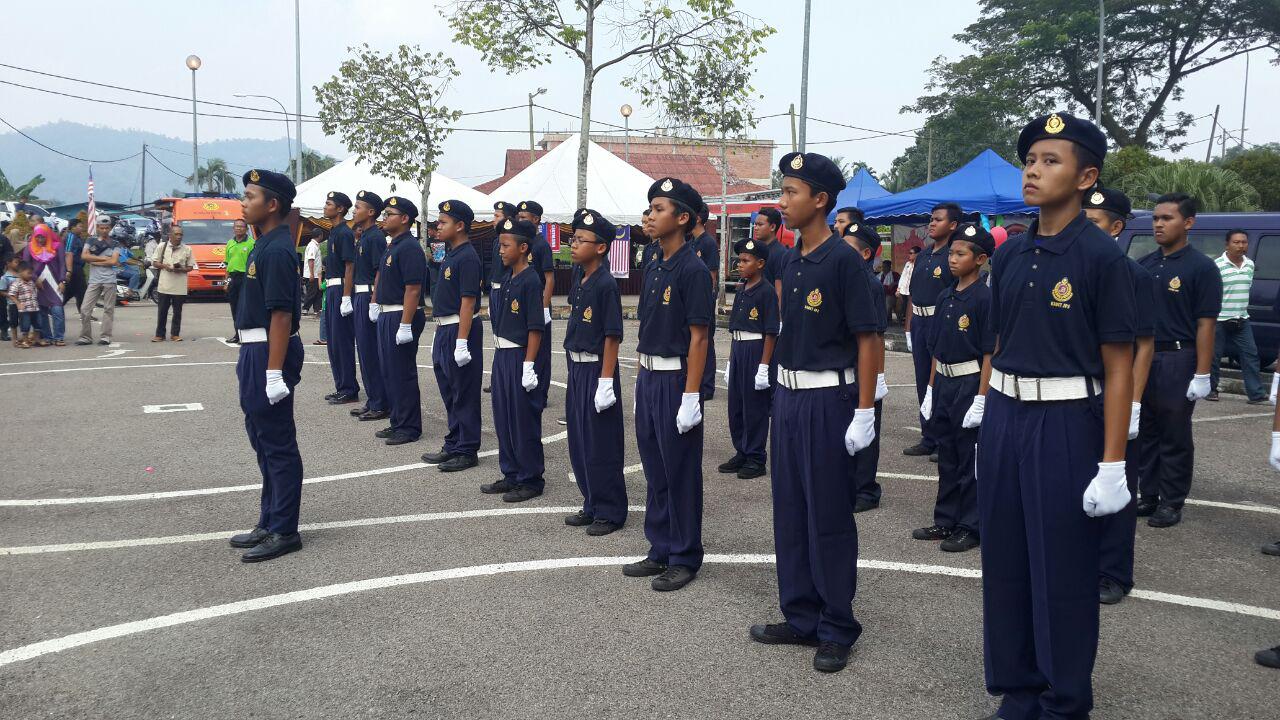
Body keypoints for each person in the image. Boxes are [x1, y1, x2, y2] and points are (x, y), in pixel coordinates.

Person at [976, 112, 1136, 720]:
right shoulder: (1013, 254)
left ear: (1086, 176)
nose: (1034, 172)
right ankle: (1017, 691)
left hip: (1067, 421)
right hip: (1006, 416)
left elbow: (1118, 364)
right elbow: (999, 341)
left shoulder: (1102, 259)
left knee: (1061, 573)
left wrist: (1113, 462)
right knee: (1008, 563)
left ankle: (1063, 701)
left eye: (1051, 161)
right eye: (1030, 161)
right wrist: (985, 408)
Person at [748, 152, 878, 674]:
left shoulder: (843, 261)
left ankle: (836, 625)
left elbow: (868, 340)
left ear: (820, 200)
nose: (782, 202)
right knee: (791, 510)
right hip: (791, 397)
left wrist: (865, 411)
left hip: (829, 399)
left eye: (790, 193)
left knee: (827, 514)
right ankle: (800, 614)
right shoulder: (792, 260)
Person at [624, 177, 713, 593]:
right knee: (655, 466)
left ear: (683, 218)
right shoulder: (655, 262)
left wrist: (691, 395)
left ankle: (684, 554)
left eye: (660, 209)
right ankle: (659, 545)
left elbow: (699, 336)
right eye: (651, 208)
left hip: (677, 379)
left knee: (679, 471)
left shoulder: (693, 269)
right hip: (649, 374)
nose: (651, 216)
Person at [1083, 185, 1157, 605]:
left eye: (1095, 223)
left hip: (1116, 392)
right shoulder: (1073, 268)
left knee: (1117, 481)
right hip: (1078, 394)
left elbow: (1143, 345)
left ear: (1116, 227)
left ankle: (1113, 571)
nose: (1086, 230)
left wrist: (1133, 403)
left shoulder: (1134, 275)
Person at [227, 168, 305, 563]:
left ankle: (284, 529)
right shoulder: (263, 243)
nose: (243, 201)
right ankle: (269, 518)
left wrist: (274, 372)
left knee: (277, 443)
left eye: (250, 196)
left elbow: (280, 316)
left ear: (272, 205)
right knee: (261, 438)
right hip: (255, 349)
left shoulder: (276, 249)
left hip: (269, 353)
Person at [1137, 193, 1221, 529]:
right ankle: (1150, 494)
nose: (1159, 224)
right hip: (1145, 356)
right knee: (1146, 429)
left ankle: (1172, 501)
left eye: (1167, 218)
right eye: (1156, 218)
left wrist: (1202, 372)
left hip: (1178, 356)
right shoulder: (1145, 265)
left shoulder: (1201, 267)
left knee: (1174, 432)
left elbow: (1206, 324)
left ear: (1188, 222)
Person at [915, 223, 995, 553]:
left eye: (961, 254)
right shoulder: (946, 296)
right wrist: (931, 389)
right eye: (952, 252)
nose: (953, 259)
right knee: (947, 456)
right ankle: (945, 519)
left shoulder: (984, 298)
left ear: (980, 259)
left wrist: (982, 397)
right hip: (945, 381)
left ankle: (969, 525)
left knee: (968, 459)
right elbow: (935, 349)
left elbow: (990, 351)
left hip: (969, 381)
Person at [562, 208, 627, 534]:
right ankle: (592, 501)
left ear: (601, 247)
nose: (573, 245)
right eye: (573, 239)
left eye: (581, 240)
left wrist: (605, 382)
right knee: (580, 440)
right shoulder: (580, 278)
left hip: (595, 371)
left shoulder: (605, 284)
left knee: (601, 443)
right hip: (576, 368)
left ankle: (610, 510)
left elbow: (612, 336)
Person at [482, 217, 546, 502]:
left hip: (520, 355)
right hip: (502, 355)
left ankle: (530, 479)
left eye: (506, 245)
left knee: (523, 420)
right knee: (504, 417)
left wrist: (529, 365)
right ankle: (510, 473)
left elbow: (535, 327)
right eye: (500, 245)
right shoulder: (508, 278)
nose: (501, 250)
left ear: (523, 248)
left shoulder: (531, 280)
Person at [422, 200, 484, 472]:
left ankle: (467, 448)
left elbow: (468, 301)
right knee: (449, 389)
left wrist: (461, 341)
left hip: (461, 328)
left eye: (443, 221)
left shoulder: (468, 257)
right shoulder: (451, 254)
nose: (438, 225)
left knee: (464, 390)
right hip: (445, 327)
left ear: (460, 226)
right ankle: (454, 440)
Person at [718, 236, 778, 480]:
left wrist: (764, 366)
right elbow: (735, 331)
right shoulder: (742, 291)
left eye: (746, 260)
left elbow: (771, 332)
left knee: (755, 407)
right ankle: (741, 450)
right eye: (739, 260)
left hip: (756, 352)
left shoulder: (767, 292)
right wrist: (731, 362)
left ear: (760, 263)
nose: (740, 264)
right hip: (740, 350)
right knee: (736, 406)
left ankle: (755, 456)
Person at [904, 203, 961, 459]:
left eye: (938, 219)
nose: (932, 223)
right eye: (931, 219)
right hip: (920, 322)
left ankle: (943, 438)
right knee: (921, 380)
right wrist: (908, 327)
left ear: (953, 225)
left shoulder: (954, 256)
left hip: (942, 323)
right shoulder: (924, 255)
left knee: (939, 381)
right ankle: (928, 436)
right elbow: (912, 294)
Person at [371, 196, 428, 446]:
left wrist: (405, 324)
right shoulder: (392, 245)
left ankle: (409, 426)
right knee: (389, 372)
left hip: (401, 315)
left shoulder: (410, 247)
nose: (384, 217)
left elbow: (413, 289)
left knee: (402, 372)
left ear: (404, 219)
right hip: (388, 314)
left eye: (390, 213)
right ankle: (397, 420)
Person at [842, 222, 890, 513]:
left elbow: (878, 337)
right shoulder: (846, 281)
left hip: (865, 369)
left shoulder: (870, 285)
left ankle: (866, 489)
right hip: (845, 366)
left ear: (865, 253)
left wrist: (878, 377)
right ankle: (850, 484)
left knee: (866, 427)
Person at [1208, 229, 1266, 403]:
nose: (1241, 246)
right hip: (1219, 319)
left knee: (1251, 355)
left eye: (1244, 242)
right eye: (1236, 242)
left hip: (1242, 319)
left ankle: (1256, 394)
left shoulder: (1249, 264)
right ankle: (1211, 390)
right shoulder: (1216, 266)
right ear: (1227, 245)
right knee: (1213, 356)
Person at [349, 191, 389, 422]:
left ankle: (380, 403)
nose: (354, 211)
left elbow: (379, 271)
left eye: (358, 207)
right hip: (359, 295)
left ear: (371, 212)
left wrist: (374, 300)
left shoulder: (375, 238)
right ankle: (373, 399)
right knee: (363, 351)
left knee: (371, 352)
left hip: (368, 297)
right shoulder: (364, 236)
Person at [516, 201, 555, 411]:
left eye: (524, 217)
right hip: (523, 306)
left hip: (538, 305)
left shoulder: (541, 245)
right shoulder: (523, 244)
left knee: (541, 352)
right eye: (518, 217)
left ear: (536, 219)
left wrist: (544, 307)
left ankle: (541, 393)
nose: (520, 220)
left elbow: (549, 278)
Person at [322, 191, 360, 405]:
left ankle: (348, 388)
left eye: (329, 204)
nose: (325, 207)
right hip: (332, 288)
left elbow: (349, 266)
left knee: (342, 341)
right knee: (333, 341)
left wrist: (346, 296)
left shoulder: (344, 233)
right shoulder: (334, 231)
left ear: (340, 209)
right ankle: (341, 385)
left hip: (340, 290)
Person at [484, 201, 518, 395]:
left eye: (497, 216)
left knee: (507, 336)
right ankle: (498, 378)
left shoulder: (510, 242)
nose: (493, 220)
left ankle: (506, 378)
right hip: (495, 291)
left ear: (508, 219)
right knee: (497, 337)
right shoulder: (497, 241)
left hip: (505, 291)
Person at [692, 202, 721, 400]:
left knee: (706, 342)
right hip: (691, 300)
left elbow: (712, 275)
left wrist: (708, 300)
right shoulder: (691, 242)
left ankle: (708, 385)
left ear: (698, 218)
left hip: (705, 299)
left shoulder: (708, 242)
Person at [78, 216, 120, 346]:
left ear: (110, 228)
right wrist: (104, 260)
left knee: (108, 309)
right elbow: (84, 256)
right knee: (85, 309)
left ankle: (105, 336)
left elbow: (114, 261)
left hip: (109, 280)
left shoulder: (115, 243)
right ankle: (86, 336)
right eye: (101, 228)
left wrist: (94, 260)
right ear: (97, 227)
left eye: (107, 228)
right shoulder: (90, 240)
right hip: (94, 280)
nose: (104, 230)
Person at [149, 223, 194, 342]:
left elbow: (190, 267)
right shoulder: (162, 247)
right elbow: (154, 262)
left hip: (179, 286)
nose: (179, 237)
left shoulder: (187, 249)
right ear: (170, 235)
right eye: (176, 234)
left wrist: (180, 269)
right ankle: (160, 334)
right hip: (164, 286)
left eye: (181, 234)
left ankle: (175, 334)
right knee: (162, 311)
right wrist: (165, 266)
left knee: (177, 312)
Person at [22, 224, 66, 346]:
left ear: (48, 235)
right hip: (38, 284)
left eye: (43, 237)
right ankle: (47, 337)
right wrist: (35, 279)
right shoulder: (29, 248)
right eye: (38, 237)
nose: (40, 240)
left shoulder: (57, 246)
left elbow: (62, 264)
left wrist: (63, 281)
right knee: (42, 312)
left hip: (55, 283)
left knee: (57, 310)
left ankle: (59, 337)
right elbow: (26, 266)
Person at [226, 219, 254, 343]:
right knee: (235, 307)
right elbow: (227, 264)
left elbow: (254, 264)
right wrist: (226, 282)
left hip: (246, 278)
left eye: (241, 227)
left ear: (246, 229)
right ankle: (237, 334)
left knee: (245, 307)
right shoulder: (230, 243)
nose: (239, 229)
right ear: (233, 228)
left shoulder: (251, 243)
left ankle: (246, 335)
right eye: (236, 227)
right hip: (232, 277)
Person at [7, 260, 39, 347]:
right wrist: (18, 303)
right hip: (24, 309)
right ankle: (25, 341)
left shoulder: (31, 282)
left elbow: (35, 292)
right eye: (28, 273)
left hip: (34, 308)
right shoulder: (16, 283)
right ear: (20, 272)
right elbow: (11, 294)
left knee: (37, 324)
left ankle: (35, 340)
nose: (30, 275)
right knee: (25, 325)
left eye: (31, 273)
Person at [62, 217, 87, 315]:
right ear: (73, 227)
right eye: (80, 226)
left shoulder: (78, 238)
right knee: (81, 290)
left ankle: (55, 309)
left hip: (78, 267)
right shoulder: (71, 237)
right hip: (73, 267)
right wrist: (69, 270)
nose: (82, 228)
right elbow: (68, 253)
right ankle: (84, 314)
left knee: (71, 291)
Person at [301, 227, 324, 316]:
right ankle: (305, 308)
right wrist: (311, 274)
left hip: (316, 274)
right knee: (312, 292)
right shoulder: (312, 246)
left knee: (318, 292)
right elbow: (311, 260)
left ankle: (317, 309)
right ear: (320, 236)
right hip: (312, 274)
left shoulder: (316, 245)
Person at [897, 246, 918, 327]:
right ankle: (905, 324)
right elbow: (903, 276)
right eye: (909, 253)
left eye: (911, 253)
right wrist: (898, 289)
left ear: (917, 254)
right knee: (904, 307)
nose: (909, 255)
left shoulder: (919, 264)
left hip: (913, 291)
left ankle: (911, 324)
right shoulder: (907, 264)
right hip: (904, 290)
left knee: (912, 308)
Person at [0, 256, 18, 343]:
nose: (18, 264)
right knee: (13, 320)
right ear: (8, 263)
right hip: (12, 303)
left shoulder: (21, 274)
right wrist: (11, 296)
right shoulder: (5, 277)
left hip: (23, 301)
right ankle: (15, 339)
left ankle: (25, 338)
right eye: (16, 262)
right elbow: (2, 291)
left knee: (25, 319)